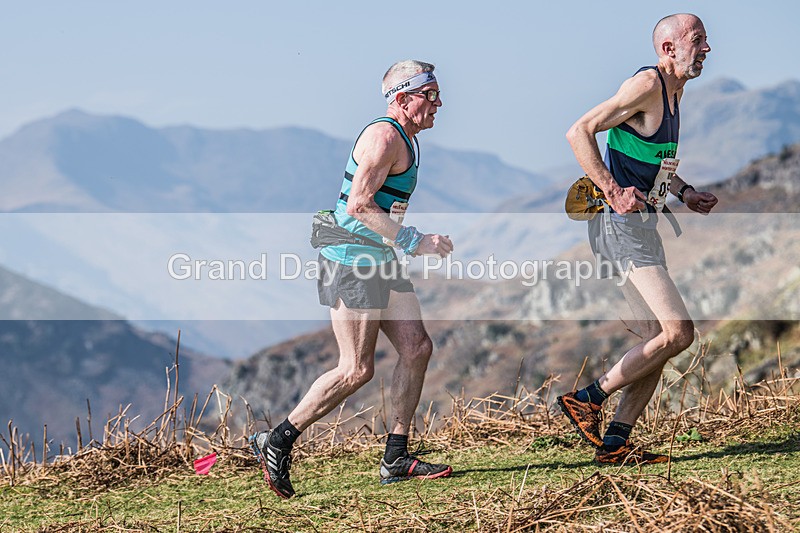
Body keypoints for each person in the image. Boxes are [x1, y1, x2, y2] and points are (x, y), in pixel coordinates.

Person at [250, 60, 454, 498]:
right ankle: (278, 440)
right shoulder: (384, 137)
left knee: (417, 348)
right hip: (350, 258)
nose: (439, 103)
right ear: (403, 98)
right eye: (430, 94)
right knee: (356, 368)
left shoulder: (407, 138)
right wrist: (415, 240)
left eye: (438, 93)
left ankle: (396, 457)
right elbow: (360, 205)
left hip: (379, 256)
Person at [558, 13, 718, 465]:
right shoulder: (647, 84)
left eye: (706, 40)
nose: (707, 49)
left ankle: (615, 444)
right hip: (621, 225)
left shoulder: (675, 90)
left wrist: (685, 192)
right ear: (668, 48)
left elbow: (652, 158)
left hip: (643, 225)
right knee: (678, 332)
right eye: (698, 40)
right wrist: (612, 190)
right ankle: (588, 399)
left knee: (656, 340)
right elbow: (579, 131)